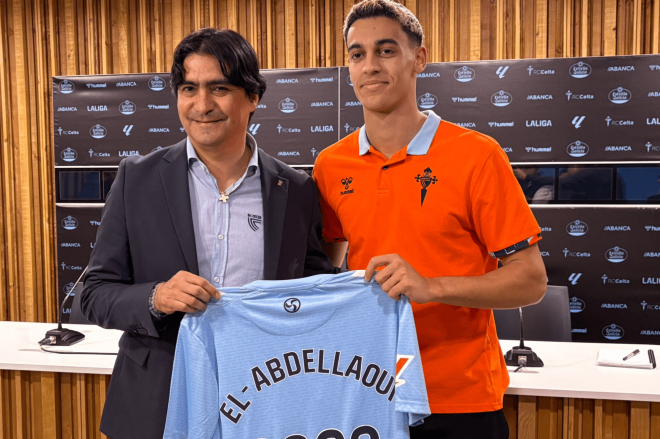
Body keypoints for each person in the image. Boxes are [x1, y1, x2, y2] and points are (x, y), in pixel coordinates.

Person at [81, 28, 334, 439]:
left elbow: (313, 294)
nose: (202, 105)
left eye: (219, 88)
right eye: (189, 88)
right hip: (156, 405)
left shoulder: (297, 191)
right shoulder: (136, 180)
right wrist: (155, 297)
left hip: (265, 400)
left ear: (252, 97)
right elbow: (94, 293)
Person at [312, 1, 547, 438]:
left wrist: (430, 287)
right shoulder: (330, 164)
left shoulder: (477, 156)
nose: (370, 67)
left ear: (418, 58)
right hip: (366, 391)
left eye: (385, 50)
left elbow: (531, 281)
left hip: (459, 399)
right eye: (357, 54)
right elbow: (326, 270)